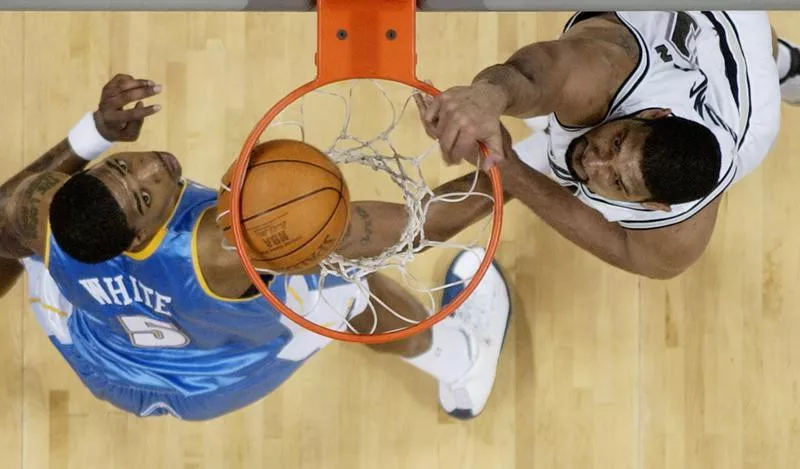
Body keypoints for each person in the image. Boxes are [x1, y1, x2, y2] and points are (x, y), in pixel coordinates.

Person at [0, 74, 511, 421]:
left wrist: (93, 134)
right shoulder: (225, 241)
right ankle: (462, 361)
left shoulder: (45, 215)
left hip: (106, 356)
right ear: (138, 235)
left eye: (120, 164)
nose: (153, 165)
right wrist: (529, 163)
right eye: (145, 195)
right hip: (217, 373)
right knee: (346, 283)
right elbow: (417, 228)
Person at [417, 11, 800, 279]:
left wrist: (510, 170)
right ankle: (784, 62)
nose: (594, 164)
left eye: (618, 183)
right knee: (758, 39)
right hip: (722, 20)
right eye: (616, 142)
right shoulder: (606, 73)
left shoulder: (675, 241)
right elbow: (536, 72)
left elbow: (625, 248)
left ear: (652, 206)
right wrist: (490, 96)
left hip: (741, 119)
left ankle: (785, 66)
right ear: (653, 115)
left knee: (486, 186)